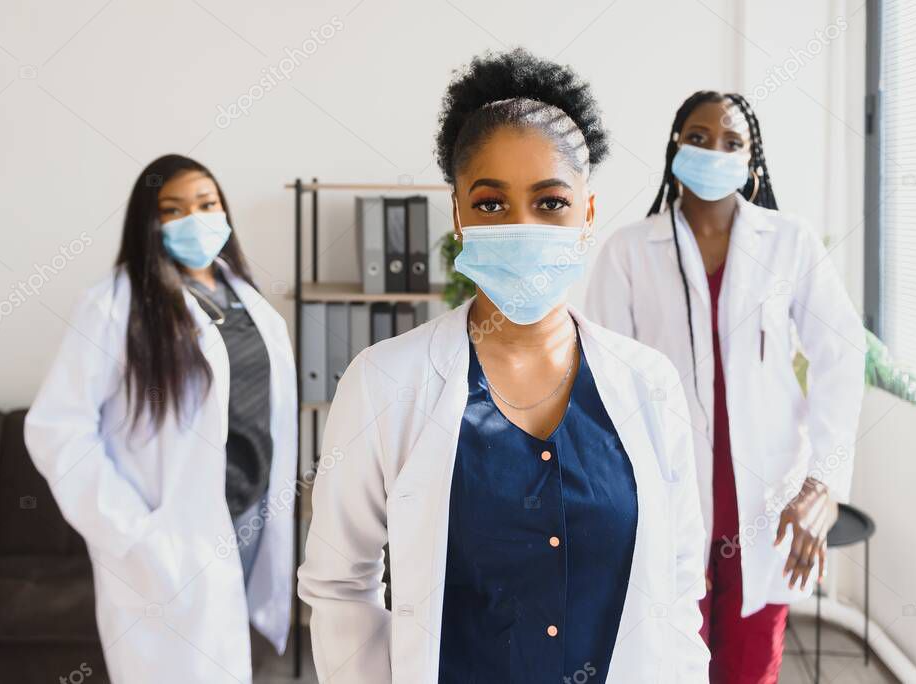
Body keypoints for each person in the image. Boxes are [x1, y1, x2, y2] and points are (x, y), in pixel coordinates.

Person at [297, 49, 710, 683]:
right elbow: (338, 584)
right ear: (458, 214)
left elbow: (680, 586)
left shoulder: (647, 382)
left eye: (550, 203)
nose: (522, 224)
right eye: (491, 204)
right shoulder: (385, 382)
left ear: (588, 214)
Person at [586, 91, 866, 682]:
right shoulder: (628, 252)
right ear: (674, 148)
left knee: (747, 667)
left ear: (752, 162)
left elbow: (841, 355)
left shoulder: (789, 242)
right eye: (698, 136)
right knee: (663, 659)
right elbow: (606, 389)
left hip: (766, 503)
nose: (714, 149)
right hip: (664, 493)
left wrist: (824, 483)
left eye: (732, 141)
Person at [24, 154, 298, 683]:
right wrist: (135, 534)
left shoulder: (245, 298)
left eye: (206, 203)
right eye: (172, 209)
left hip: (246, 515)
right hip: (170, 530)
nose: (194, 218)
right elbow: (56, 427)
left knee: (223, 662)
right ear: (148, 222)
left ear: (224, 210)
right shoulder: (115, 303)